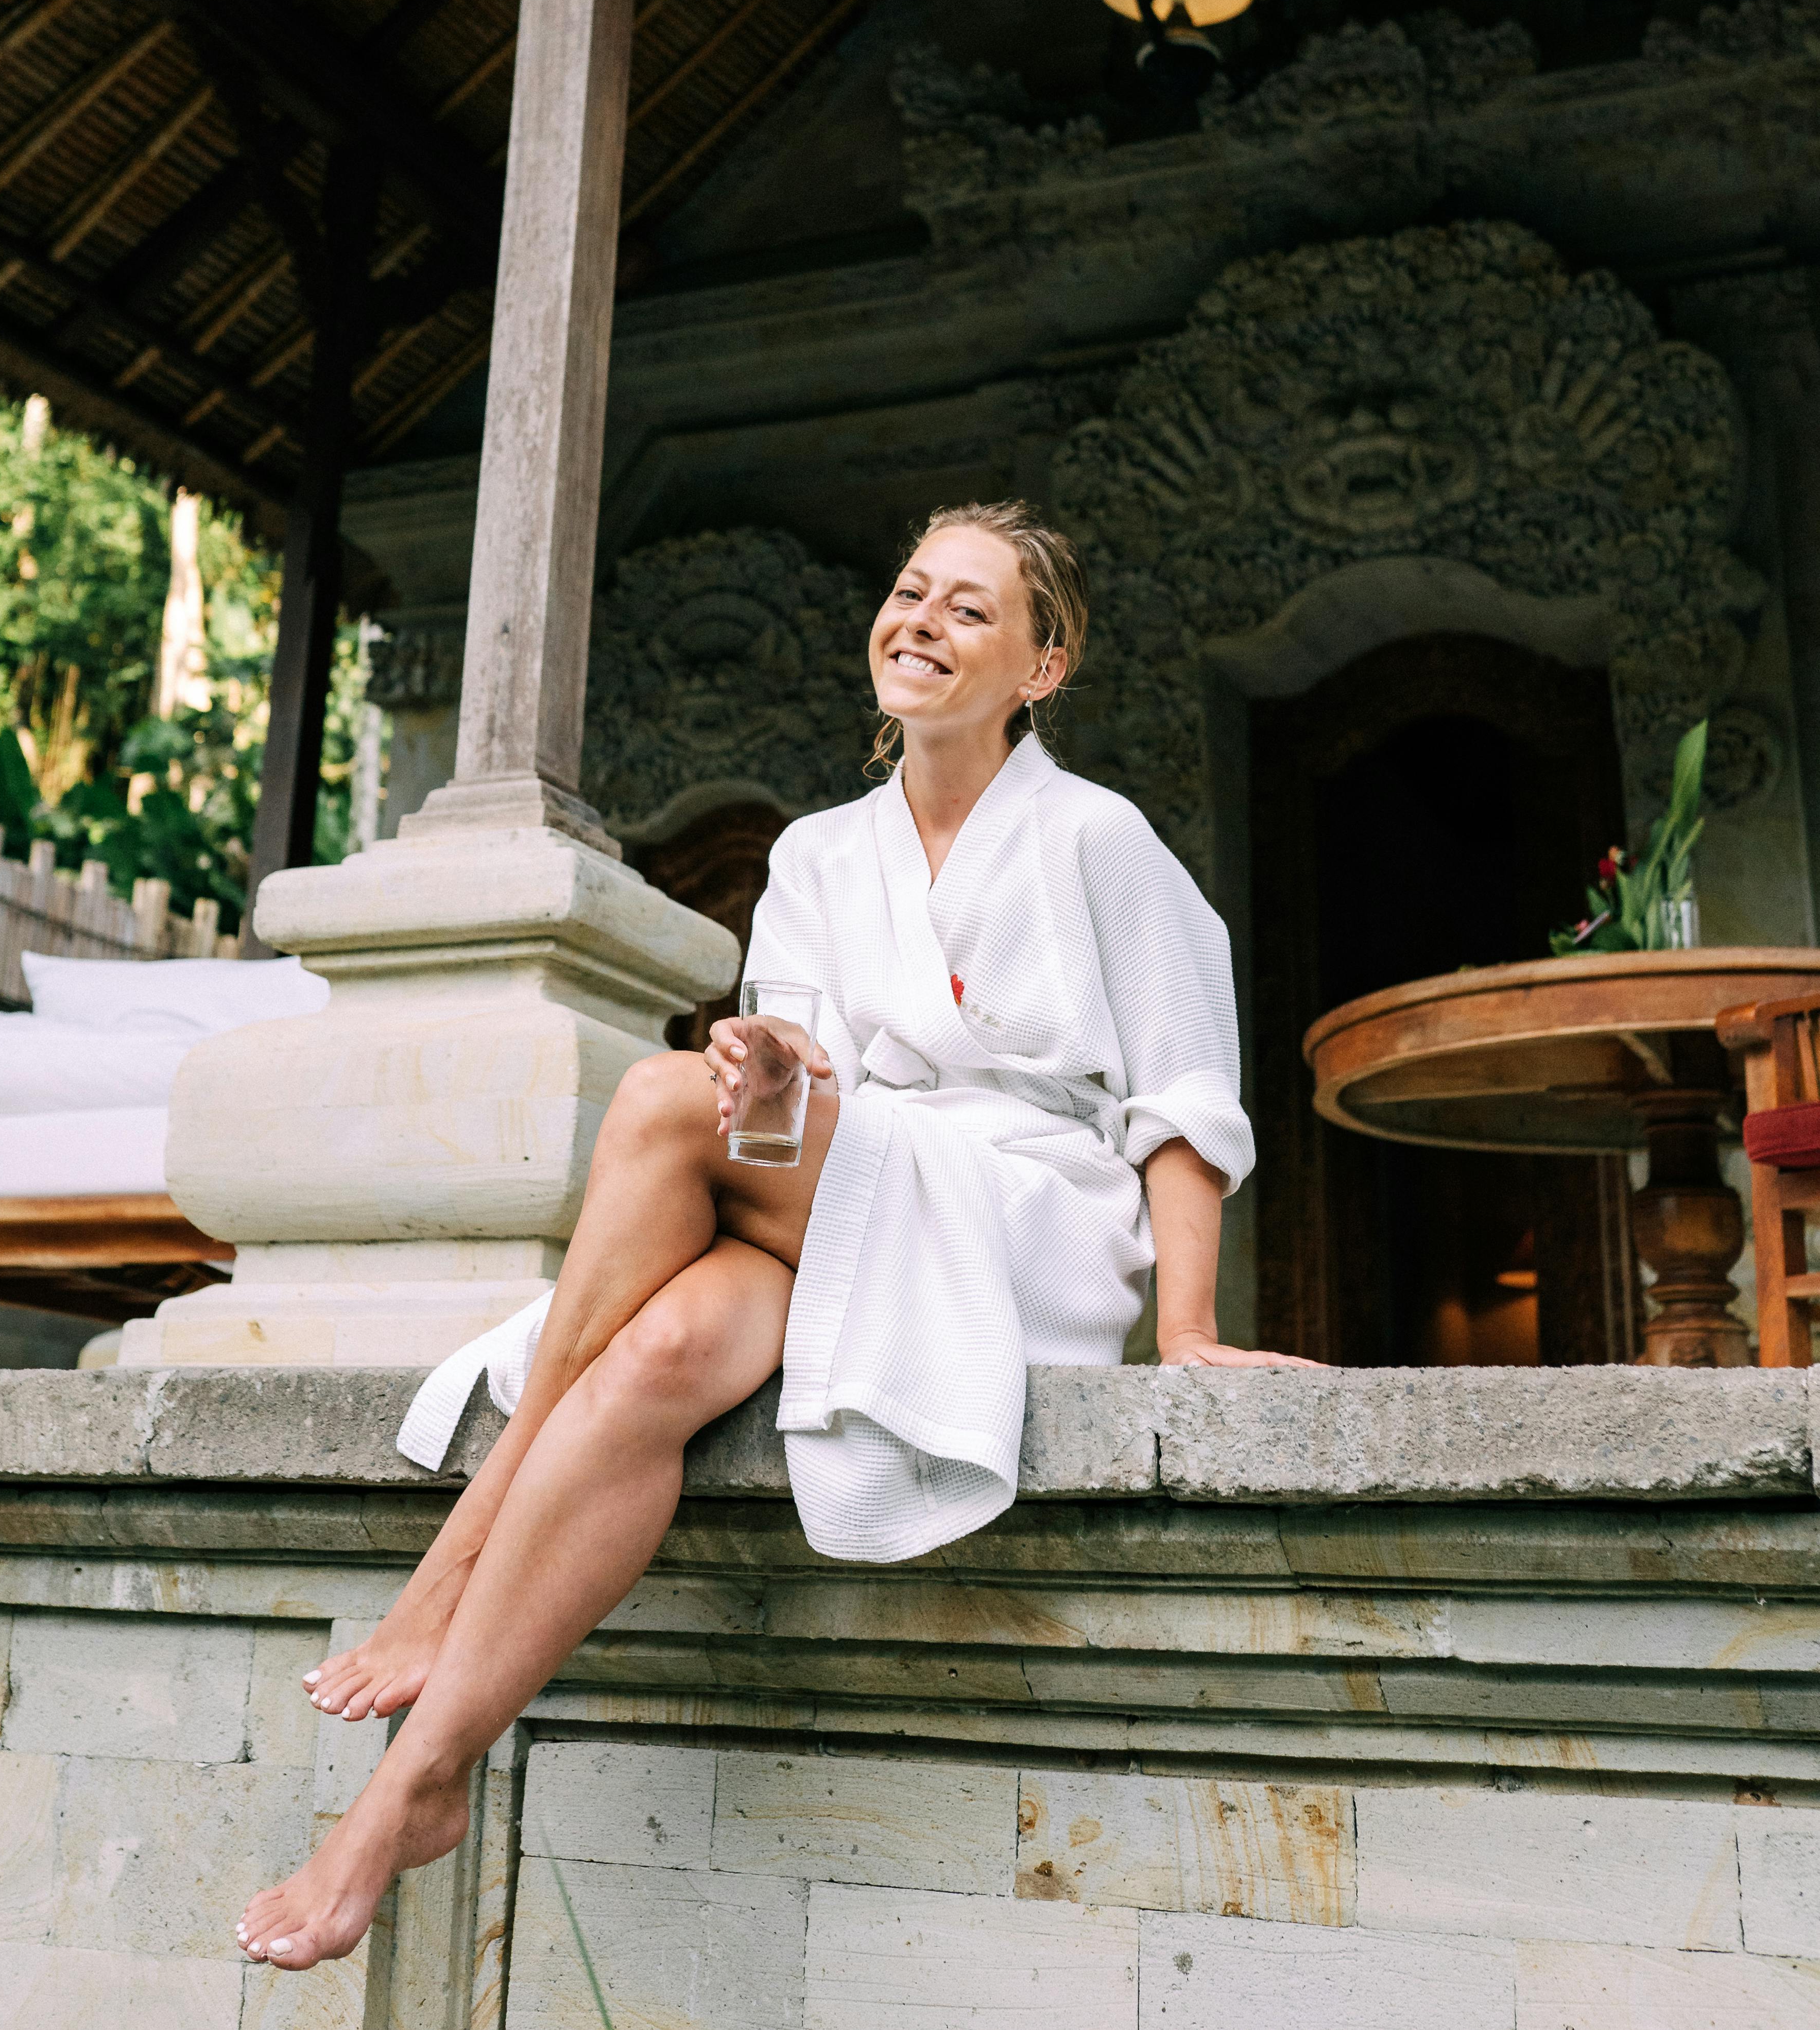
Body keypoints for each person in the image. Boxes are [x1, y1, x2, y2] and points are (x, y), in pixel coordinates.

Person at [237, 499, 1310, 1971]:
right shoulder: (814, 855)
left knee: (663, 1102)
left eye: (970, 608)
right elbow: (795, 1110)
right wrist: (779, 1086)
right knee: (663, 1345)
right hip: (854, 1198)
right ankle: (420, 1781)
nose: (921, 619)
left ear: (1043, 666)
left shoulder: (1097, 838)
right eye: (909, 588)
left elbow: (1188, 1097)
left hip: (1020, 1215)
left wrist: (1181, 1328)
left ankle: (456, 1556)